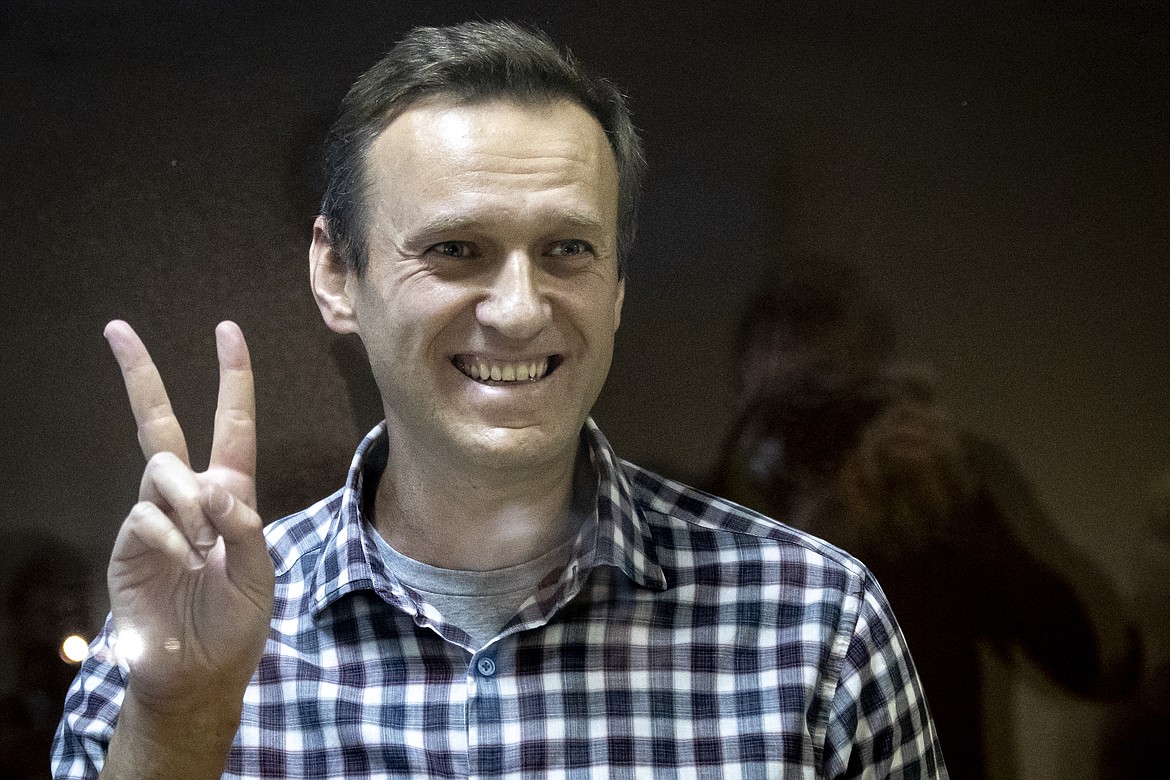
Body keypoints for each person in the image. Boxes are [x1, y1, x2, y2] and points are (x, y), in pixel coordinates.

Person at [52, 22, 946, 778]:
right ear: (337, 272)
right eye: (454, 250)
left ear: (620, 283)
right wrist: (180, 725)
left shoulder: (816, 627)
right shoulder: (175, 648)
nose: (519, 311)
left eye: (567, 249)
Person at [713, 269, 1139, 778]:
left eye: (836, 402)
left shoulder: (940, 498)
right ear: (741, 406)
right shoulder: (704, 527)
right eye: (788, 410)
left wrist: (966, 511)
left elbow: (1102, 665)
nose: (816, 430)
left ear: (881, 395)